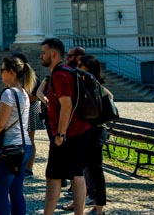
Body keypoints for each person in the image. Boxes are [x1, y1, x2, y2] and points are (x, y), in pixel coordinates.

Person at [40, 38, 91, 215]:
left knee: (53, 176)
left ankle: (48, 213)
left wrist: (60, 134)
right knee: (77, 174)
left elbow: (66, 105)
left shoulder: (60, 75)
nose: (42, 56)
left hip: (66, 134)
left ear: (53, 54)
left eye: (44, 52)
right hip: (81, 130)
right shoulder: (71, 71)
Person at [0, 55, 36, 215]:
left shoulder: (9, 94)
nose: (0, 73)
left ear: (11, 72)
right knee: (16, 192)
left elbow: (1, 124)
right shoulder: (24, 93)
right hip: (25, 146)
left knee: (1, 194)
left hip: (10, 148)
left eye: (2, 70)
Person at [68, 55, 110, 215]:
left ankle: (99, 208)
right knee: (84, 170)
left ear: (88, 68)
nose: (77, 67)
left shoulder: (93, 84)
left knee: (95, 170)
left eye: (80, 65)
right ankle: (84, 202)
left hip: (95, 132)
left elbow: (110, 97)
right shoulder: (88, 83)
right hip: (89, 131)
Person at [12, 52, 43, 177]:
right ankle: (22, 165)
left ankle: (29, 167)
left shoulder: (31, 77)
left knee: (29, 139)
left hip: (30, 109)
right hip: (20, 109)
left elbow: (35, 97)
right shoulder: (17, 77)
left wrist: (20, 97)